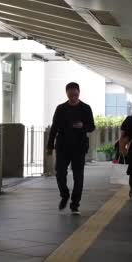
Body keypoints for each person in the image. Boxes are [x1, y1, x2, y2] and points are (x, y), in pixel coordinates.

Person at [46, 82, 95, 215]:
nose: (73, 96)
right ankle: (65, 195)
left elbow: (92, 126)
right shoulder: (61, 108)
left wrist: (82, 126)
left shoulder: (85, 108)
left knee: (78, 177)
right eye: (70, 94)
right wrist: (50, 146)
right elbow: (54, 128)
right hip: (62, 146)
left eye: (75, 94)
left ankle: (75, 204)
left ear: (79, 93)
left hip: (79, 147)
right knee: (60, 173)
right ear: (66, 93)